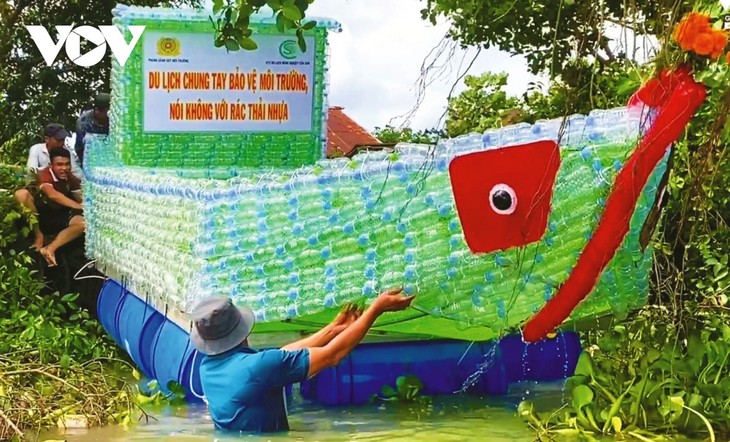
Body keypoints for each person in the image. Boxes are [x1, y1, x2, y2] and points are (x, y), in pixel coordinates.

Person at [190, 288, 415, 433]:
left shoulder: (208, 368)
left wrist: (332, 329)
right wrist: (376, 310)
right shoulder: (257, 368)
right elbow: (332, 355)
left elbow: (280, 357)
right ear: (242, 330)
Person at [15, 147, 85, 267]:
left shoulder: (70, 178)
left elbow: (80, 196)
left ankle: (50, 248)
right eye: (59, 164)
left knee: (82, 223)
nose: (64, 168)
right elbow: (52, 195)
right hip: (38, 214)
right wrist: (78, 205)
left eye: (67, 164)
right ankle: (38, 235)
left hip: (57, 215)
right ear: (51, 165)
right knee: (21, 194)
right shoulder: (45, 175)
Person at [75, 92, 110, 166]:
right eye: (109, 111)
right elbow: (80, 148)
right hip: (89, 160)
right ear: (97, 110)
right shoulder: (84, 122)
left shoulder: (113, 120)